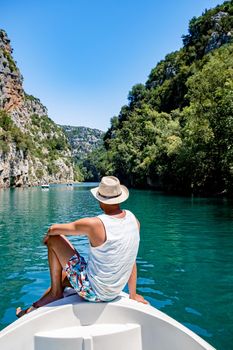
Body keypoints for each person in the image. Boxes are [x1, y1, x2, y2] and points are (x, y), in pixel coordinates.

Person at [16, 176, 147, 317]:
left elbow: (53, 229)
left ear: (100, 199)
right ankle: (32, 309)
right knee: (63, 277)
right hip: (114, 291)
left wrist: (46, 238)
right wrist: (132, 294)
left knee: (54, 239)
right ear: (119, 197)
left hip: (93, 293)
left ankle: (54, 295)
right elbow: (130, 259)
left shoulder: (95, 224)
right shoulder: (134, 221)